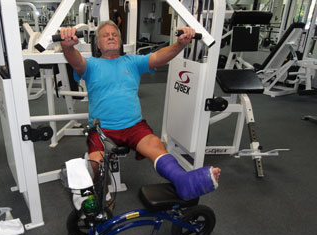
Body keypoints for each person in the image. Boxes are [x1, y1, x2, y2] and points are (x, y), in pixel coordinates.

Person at [60, 21, 221, 206]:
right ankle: (102, 193)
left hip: (133, 126)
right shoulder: (90, 65)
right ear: (97, 45)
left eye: (115, 35)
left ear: (120, 42)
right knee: (96, 164)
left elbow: (159, 57)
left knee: (156, 144)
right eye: (105, 35)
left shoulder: (133, 61)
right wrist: (67, 48)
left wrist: (181, 44)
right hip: (102, 129)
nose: (111, 37)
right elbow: (75, 60)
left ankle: (183, 180)